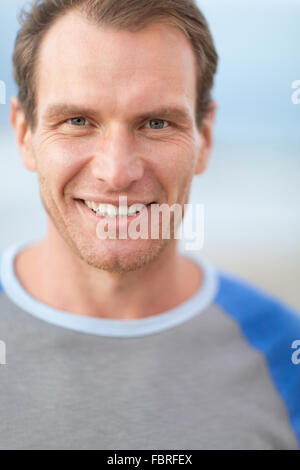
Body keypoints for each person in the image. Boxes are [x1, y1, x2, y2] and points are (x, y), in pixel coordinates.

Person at [0, 0, 299, 450]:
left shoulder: (282, 352)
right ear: (24, 134)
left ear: (205, 138)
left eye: (156, 123)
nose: (118, 172)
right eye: (78, 121)